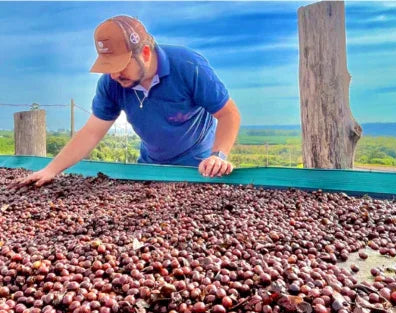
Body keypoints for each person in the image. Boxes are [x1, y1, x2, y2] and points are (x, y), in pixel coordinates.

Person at [16, 15, 241, 187]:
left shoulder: (189, 67)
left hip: (198, 166)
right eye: (108, 66)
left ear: (144, 52)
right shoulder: (111, 83)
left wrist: (218, 156)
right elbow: (92, 132)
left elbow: (228, 114)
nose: (114, 74)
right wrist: (51, 170)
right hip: (149, 166)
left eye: (120, 65)